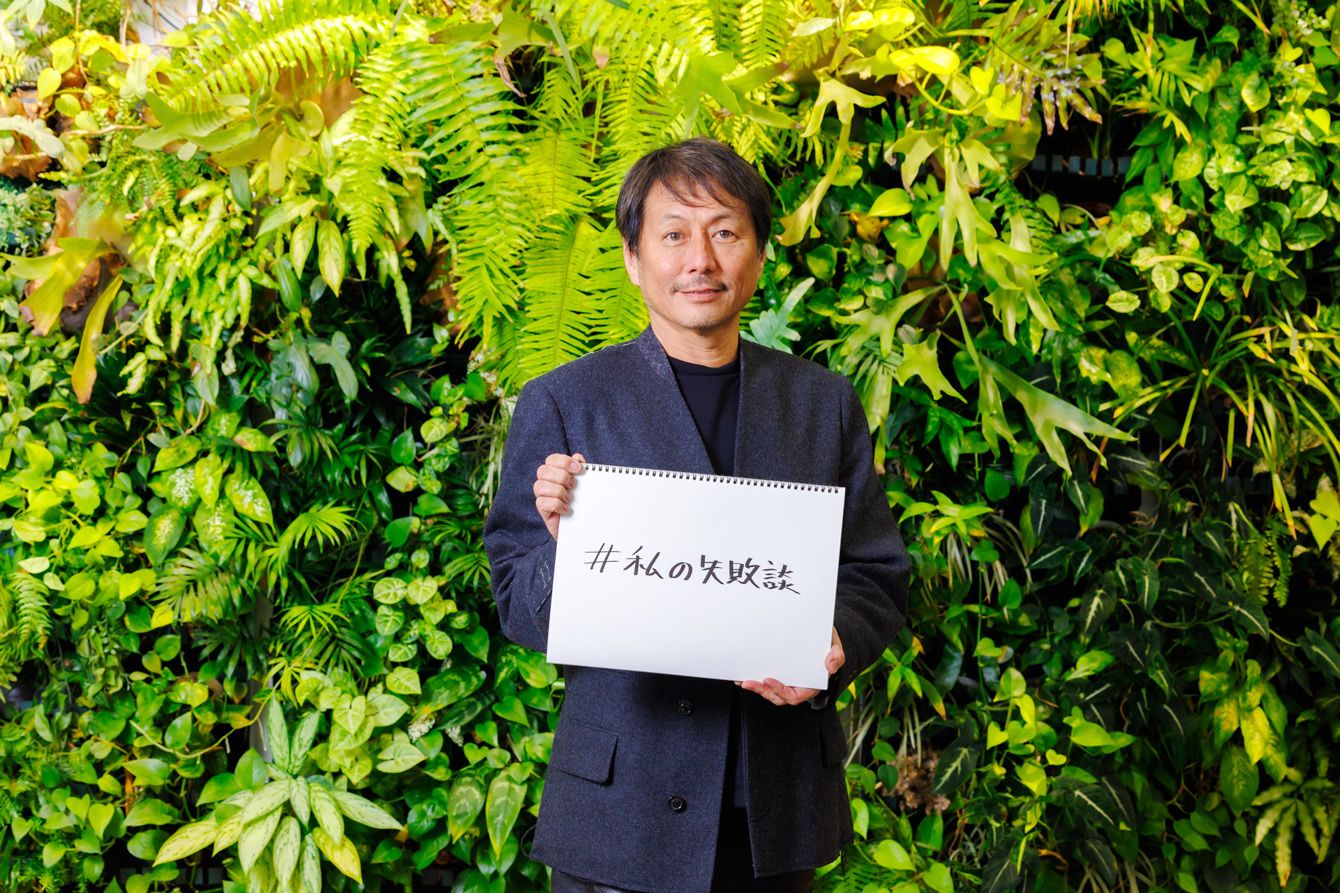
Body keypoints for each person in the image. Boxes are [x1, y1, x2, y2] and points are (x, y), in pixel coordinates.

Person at [483, 137, 909, 893]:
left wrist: (833, 642)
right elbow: (519, 605)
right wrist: (564, 545)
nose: (700, 260)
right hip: (620, 811)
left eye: (724, 232)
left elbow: (875, 574)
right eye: (674, 234)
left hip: (773, 807)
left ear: (760, 254)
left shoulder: (822, 404)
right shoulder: (567, 401)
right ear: (633, 257)